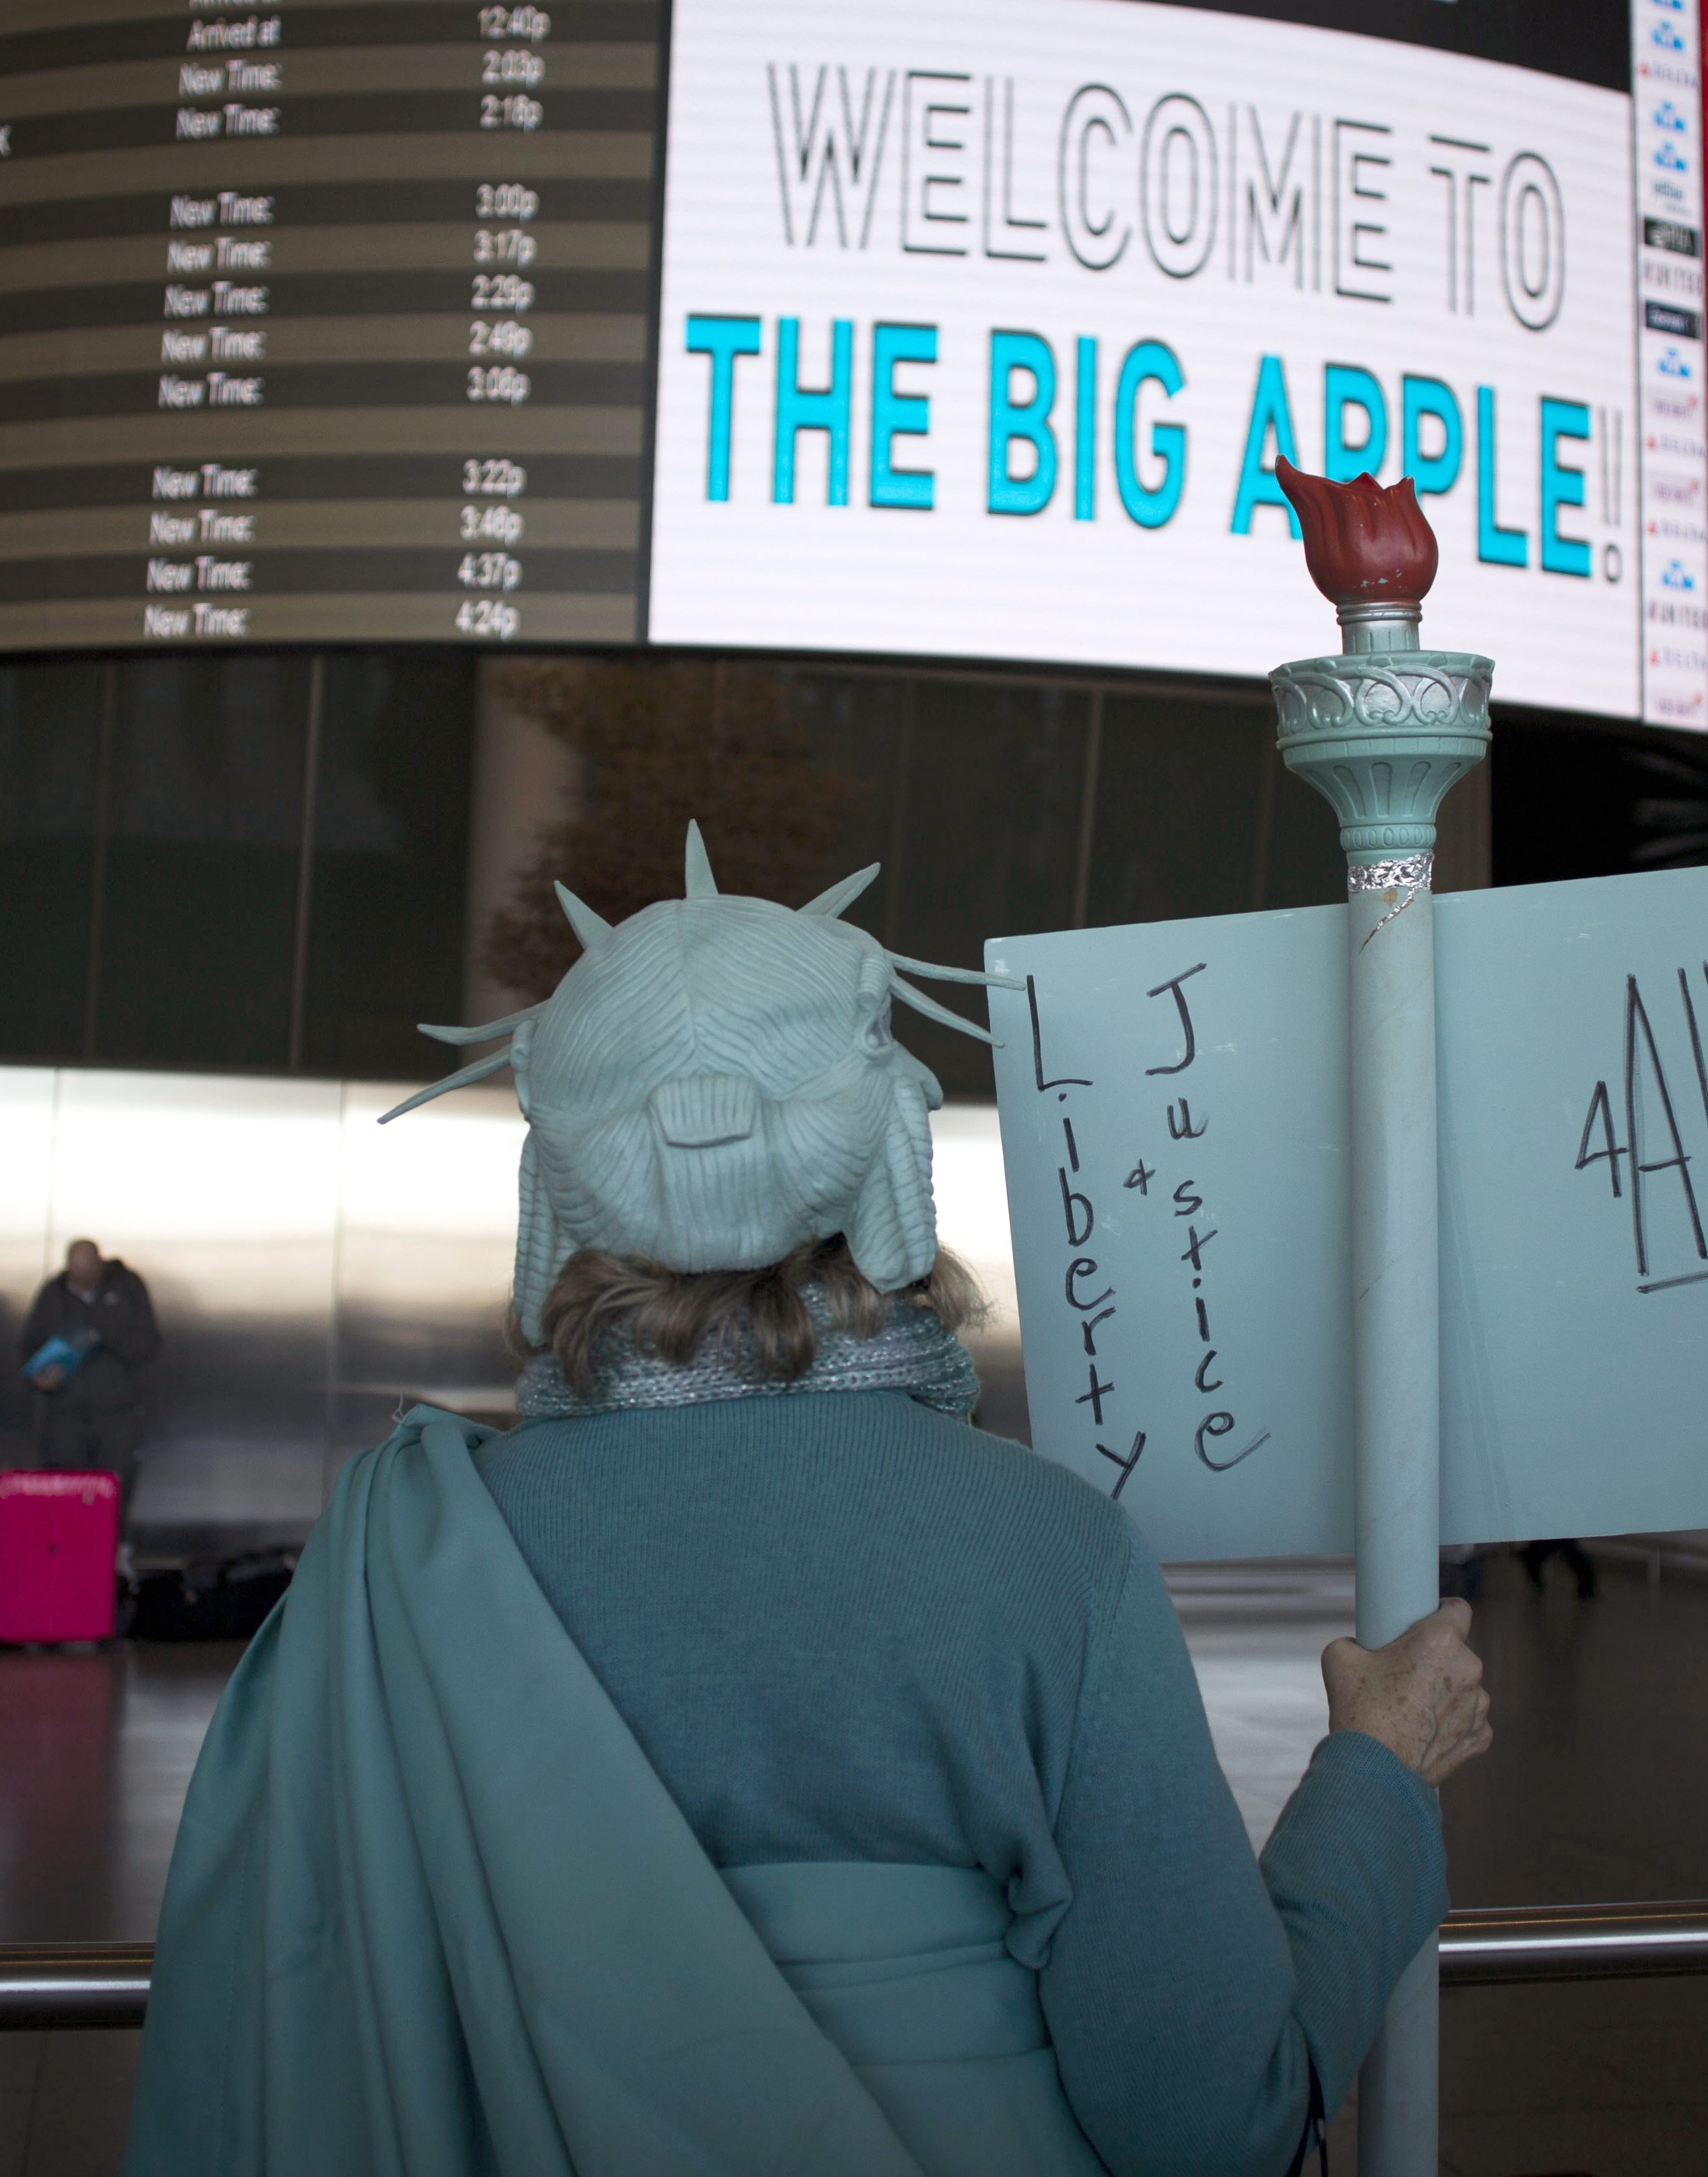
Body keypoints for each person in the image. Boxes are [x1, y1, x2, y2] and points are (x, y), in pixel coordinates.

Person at [125, 828, 1491, 2177]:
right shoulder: (1052, 1551)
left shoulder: (396, 1567)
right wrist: (1378, 1778)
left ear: (552, 1196)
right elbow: (1210, 2116)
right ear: (895, 1161)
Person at [19, 1238, 160, 1522]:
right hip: (64, 1413)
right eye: (75, 1273)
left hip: (118, 1411)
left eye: (88, 1273)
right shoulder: (54, 1293)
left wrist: (103, 1331)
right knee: (65, 1487)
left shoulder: (127, 1288)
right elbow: (29, 1347)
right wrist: (39, 1378)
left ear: (100, 1265)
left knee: (115, 1487)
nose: (81, 1280)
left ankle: (117, 1551)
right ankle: (68, 1556)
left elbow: (149, 1344)